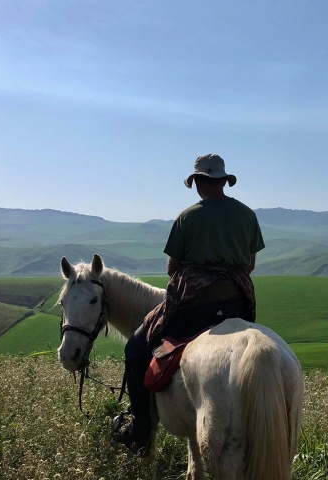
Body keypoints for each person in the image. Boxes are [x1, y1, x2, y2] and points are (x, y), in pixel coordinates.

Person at [112, 153, 265, 454]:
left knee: (136, 348)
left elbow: (173, 269)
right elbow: (250, 264)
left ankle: (141, 427)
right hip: (237, 303)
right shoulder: (247, 215)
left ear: (197, 183)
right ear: (223, 181)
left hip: (194, 306)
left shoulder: (187, 217)